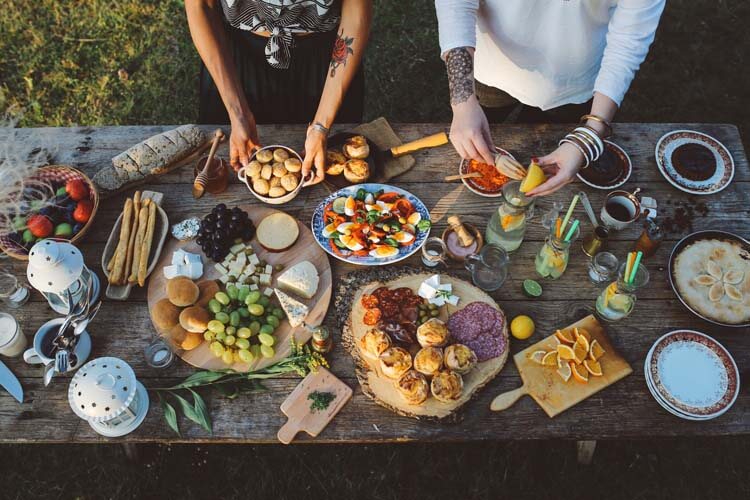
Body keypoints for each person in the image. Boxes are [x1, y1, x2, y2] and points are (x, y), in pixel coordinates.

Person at [435, 0, 666, 196]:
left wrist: (589, 135)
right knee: (478, 138)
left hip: (576, 82)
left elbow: (629, 40)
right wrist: (463, 102)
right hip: (494, 64)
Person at [186, 0, 372, 184]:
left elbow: (356, 10)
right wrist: (237, 112)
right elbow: (200, 6)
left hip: (328, 65)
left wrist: (321, 126)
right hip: (233, 64)